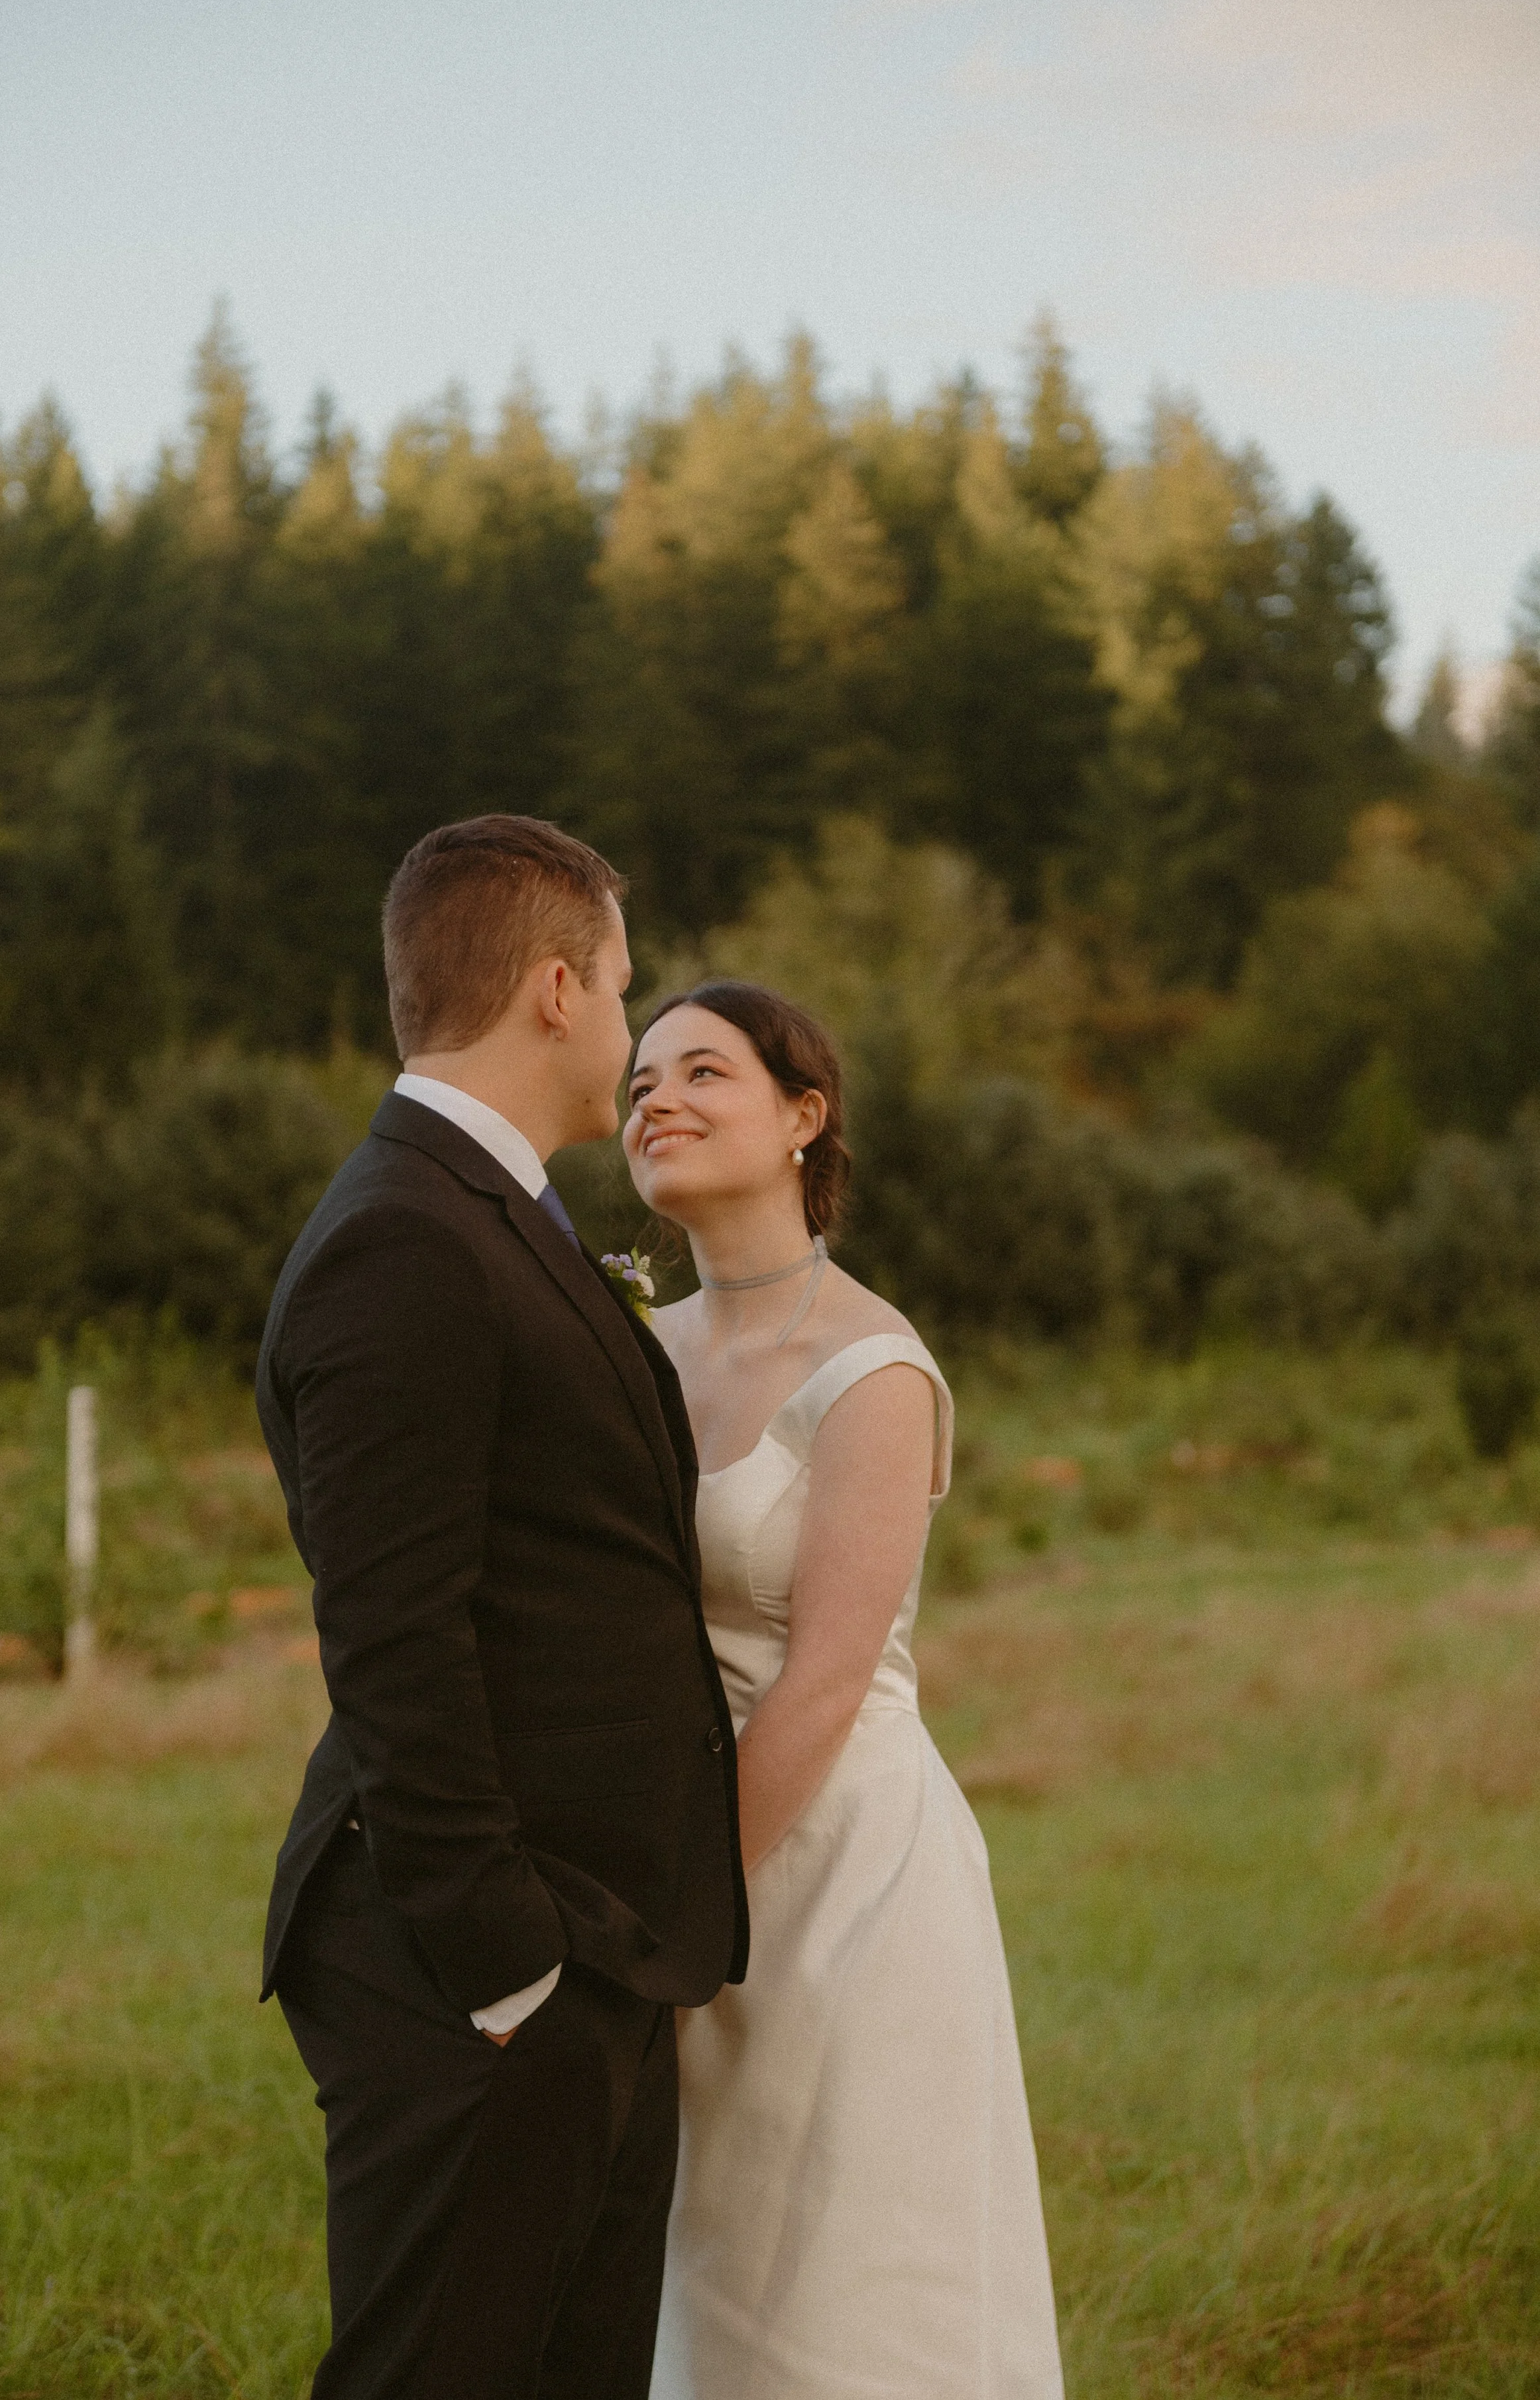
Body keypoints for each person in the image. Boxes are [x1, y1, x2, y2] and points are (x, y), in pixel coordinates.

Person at [256, 818, 747, 2400]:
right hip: (476, 1963)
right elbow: (395, 1637)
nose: (626, 1028)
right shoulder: (399, 1238)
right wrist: (505, 1968)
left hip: (596, 1940)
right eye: (617, 986)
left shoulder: (498, 1211)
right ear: (553, 989)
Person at [624, 981, 1064, 2400]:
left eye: (703, 1071)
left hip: (836, 1876)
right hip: (673, 1848)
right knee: (707, 2277)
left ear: (802, 1117)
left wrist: (678, 1924)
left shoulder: (874, 1366)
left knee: (849, 2285)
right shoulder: (637, 1350)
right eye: (637, 1081)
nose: (656, 1100)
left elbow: (818, 1684)